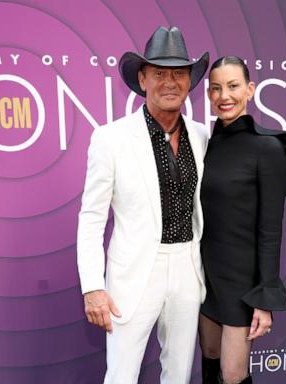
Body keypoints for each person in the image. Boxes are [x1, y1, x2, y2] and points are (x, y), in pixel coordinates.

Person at [77, 26, 209, 384]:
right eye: (160, 73)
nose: (170, 82)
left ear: (189, 81)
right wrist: (92, 287)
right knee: (121, 376)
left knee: (179, 375)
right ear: (143, 78)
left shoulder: (202, 135)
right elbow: (91, 219)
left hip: (187, 270)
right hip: (131, 276)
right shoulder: (111, 139)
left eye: (178, 73)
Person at [198, 56, 286, 384]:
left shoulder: (267, 148)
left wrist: (264, 297)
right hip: (205, 277)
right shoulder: (206, 145)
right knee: (209, 364)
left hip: (242, 285)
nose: (223, 95)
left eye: (232, 86)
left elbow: (270, 229)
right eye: (216, 88)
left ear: (250, 90)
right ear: (208, 94)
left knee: (232, 375)